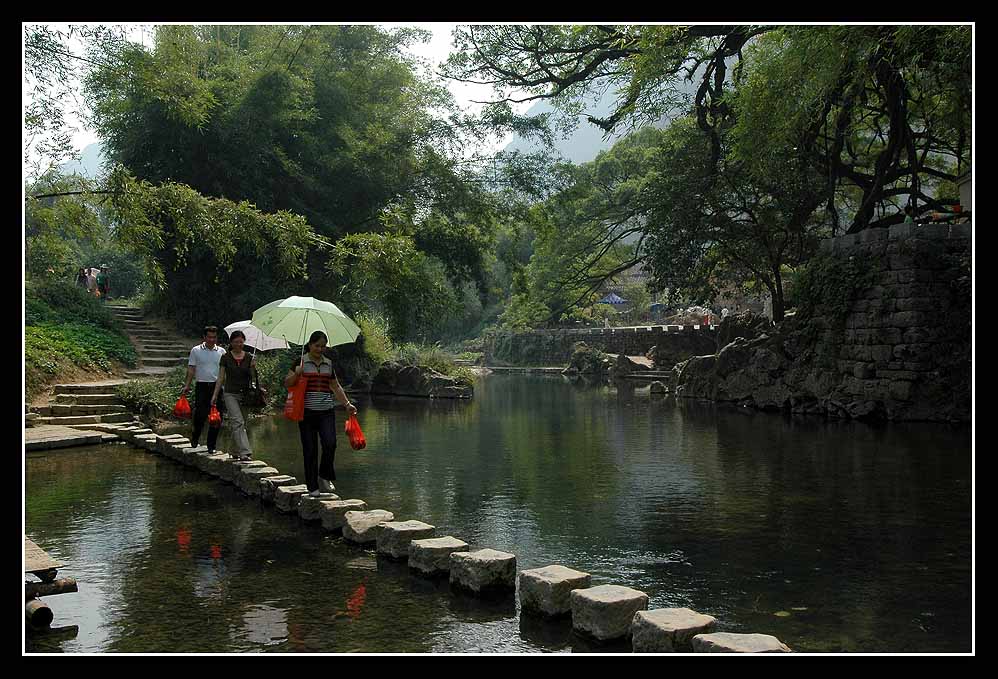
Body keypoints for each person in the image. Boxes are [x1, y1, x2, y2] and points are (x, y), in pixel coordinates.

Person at [284, 330, 357, 498]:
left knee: (330, 444)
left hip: (326, 412)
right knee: (310, 450)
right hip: (306, 413)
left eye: (323, 346)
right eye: (317, 346)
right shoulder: (300, 361)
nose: (320, 349)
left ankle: (325, 475)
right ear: (310, 345)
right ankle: (312, 487)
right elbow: (287, 383)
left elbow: (335, 386)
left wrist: (347, 404)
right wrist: (297, 373)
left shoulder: (328, 364)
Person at [210, 330, 265, 461]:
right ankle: (245, 452)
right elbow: (221, 377)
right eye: (236, 342)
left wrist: (253, 367)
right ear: (231, 342)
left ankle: (233, 450)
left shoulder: (249, 357)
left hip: (246, 395)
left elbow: (252, 378)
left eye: (241, 342)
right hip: (230, 393)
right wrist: (215, 395)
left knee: (241, 424)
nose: (239, 344)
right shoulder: (226, 357)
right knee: (238, 422)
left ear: (244, 342)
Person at [182, 326, 227, 453]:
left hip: (217, 387)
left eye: (214, 337)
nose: (212, 340)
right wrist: (187, 385)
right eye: (209, 337)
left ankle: (211, 445)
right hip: (201, 386)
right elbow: (191, 369)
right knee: (200, 415)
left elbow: (224, 372)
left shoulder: (222, 352)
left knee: (217, 417)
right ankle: (195, 436)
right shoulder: (196, 350)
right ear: (204, 337)